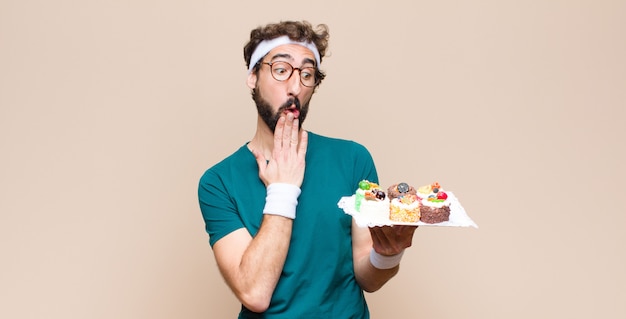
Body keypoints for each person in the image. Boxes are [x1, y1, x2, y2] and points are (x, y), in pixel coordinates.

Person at [198, 20, 418, 318]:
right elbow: (255, 292)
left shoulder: (353, 159)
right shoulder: (218, 182)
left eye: (307, 74)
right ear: (253, 76)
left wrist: (388, 254)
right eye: (280, 70)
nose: (295, 87)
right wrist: (283, 189)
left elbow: (368, 278)